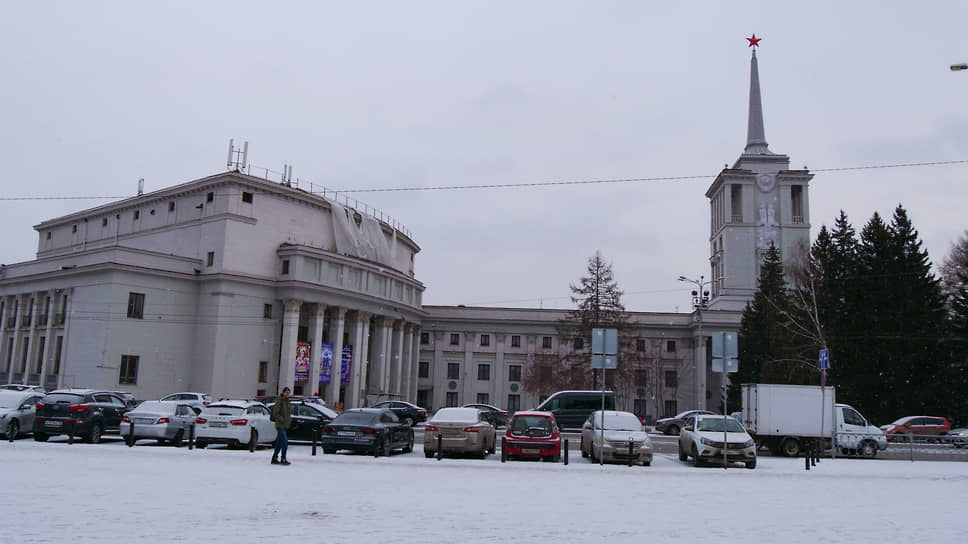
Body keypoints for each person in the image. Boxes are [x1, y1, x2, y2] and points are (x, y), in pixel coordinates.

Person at [270, 387, 292, 465]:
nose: (288, 394)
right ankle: (283, 458)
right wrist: (282, 419)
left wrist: (288, 421)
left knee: (279, 442)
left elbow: (288, 413)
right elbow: (276, 413)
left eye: (289, 392)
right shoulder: (280, 400)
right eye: (286, 392)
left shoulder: (287, 401)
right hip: (280, 425)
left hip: (285, 425)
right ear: (283, 393)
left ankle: (274, 458)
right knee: (285, 442)